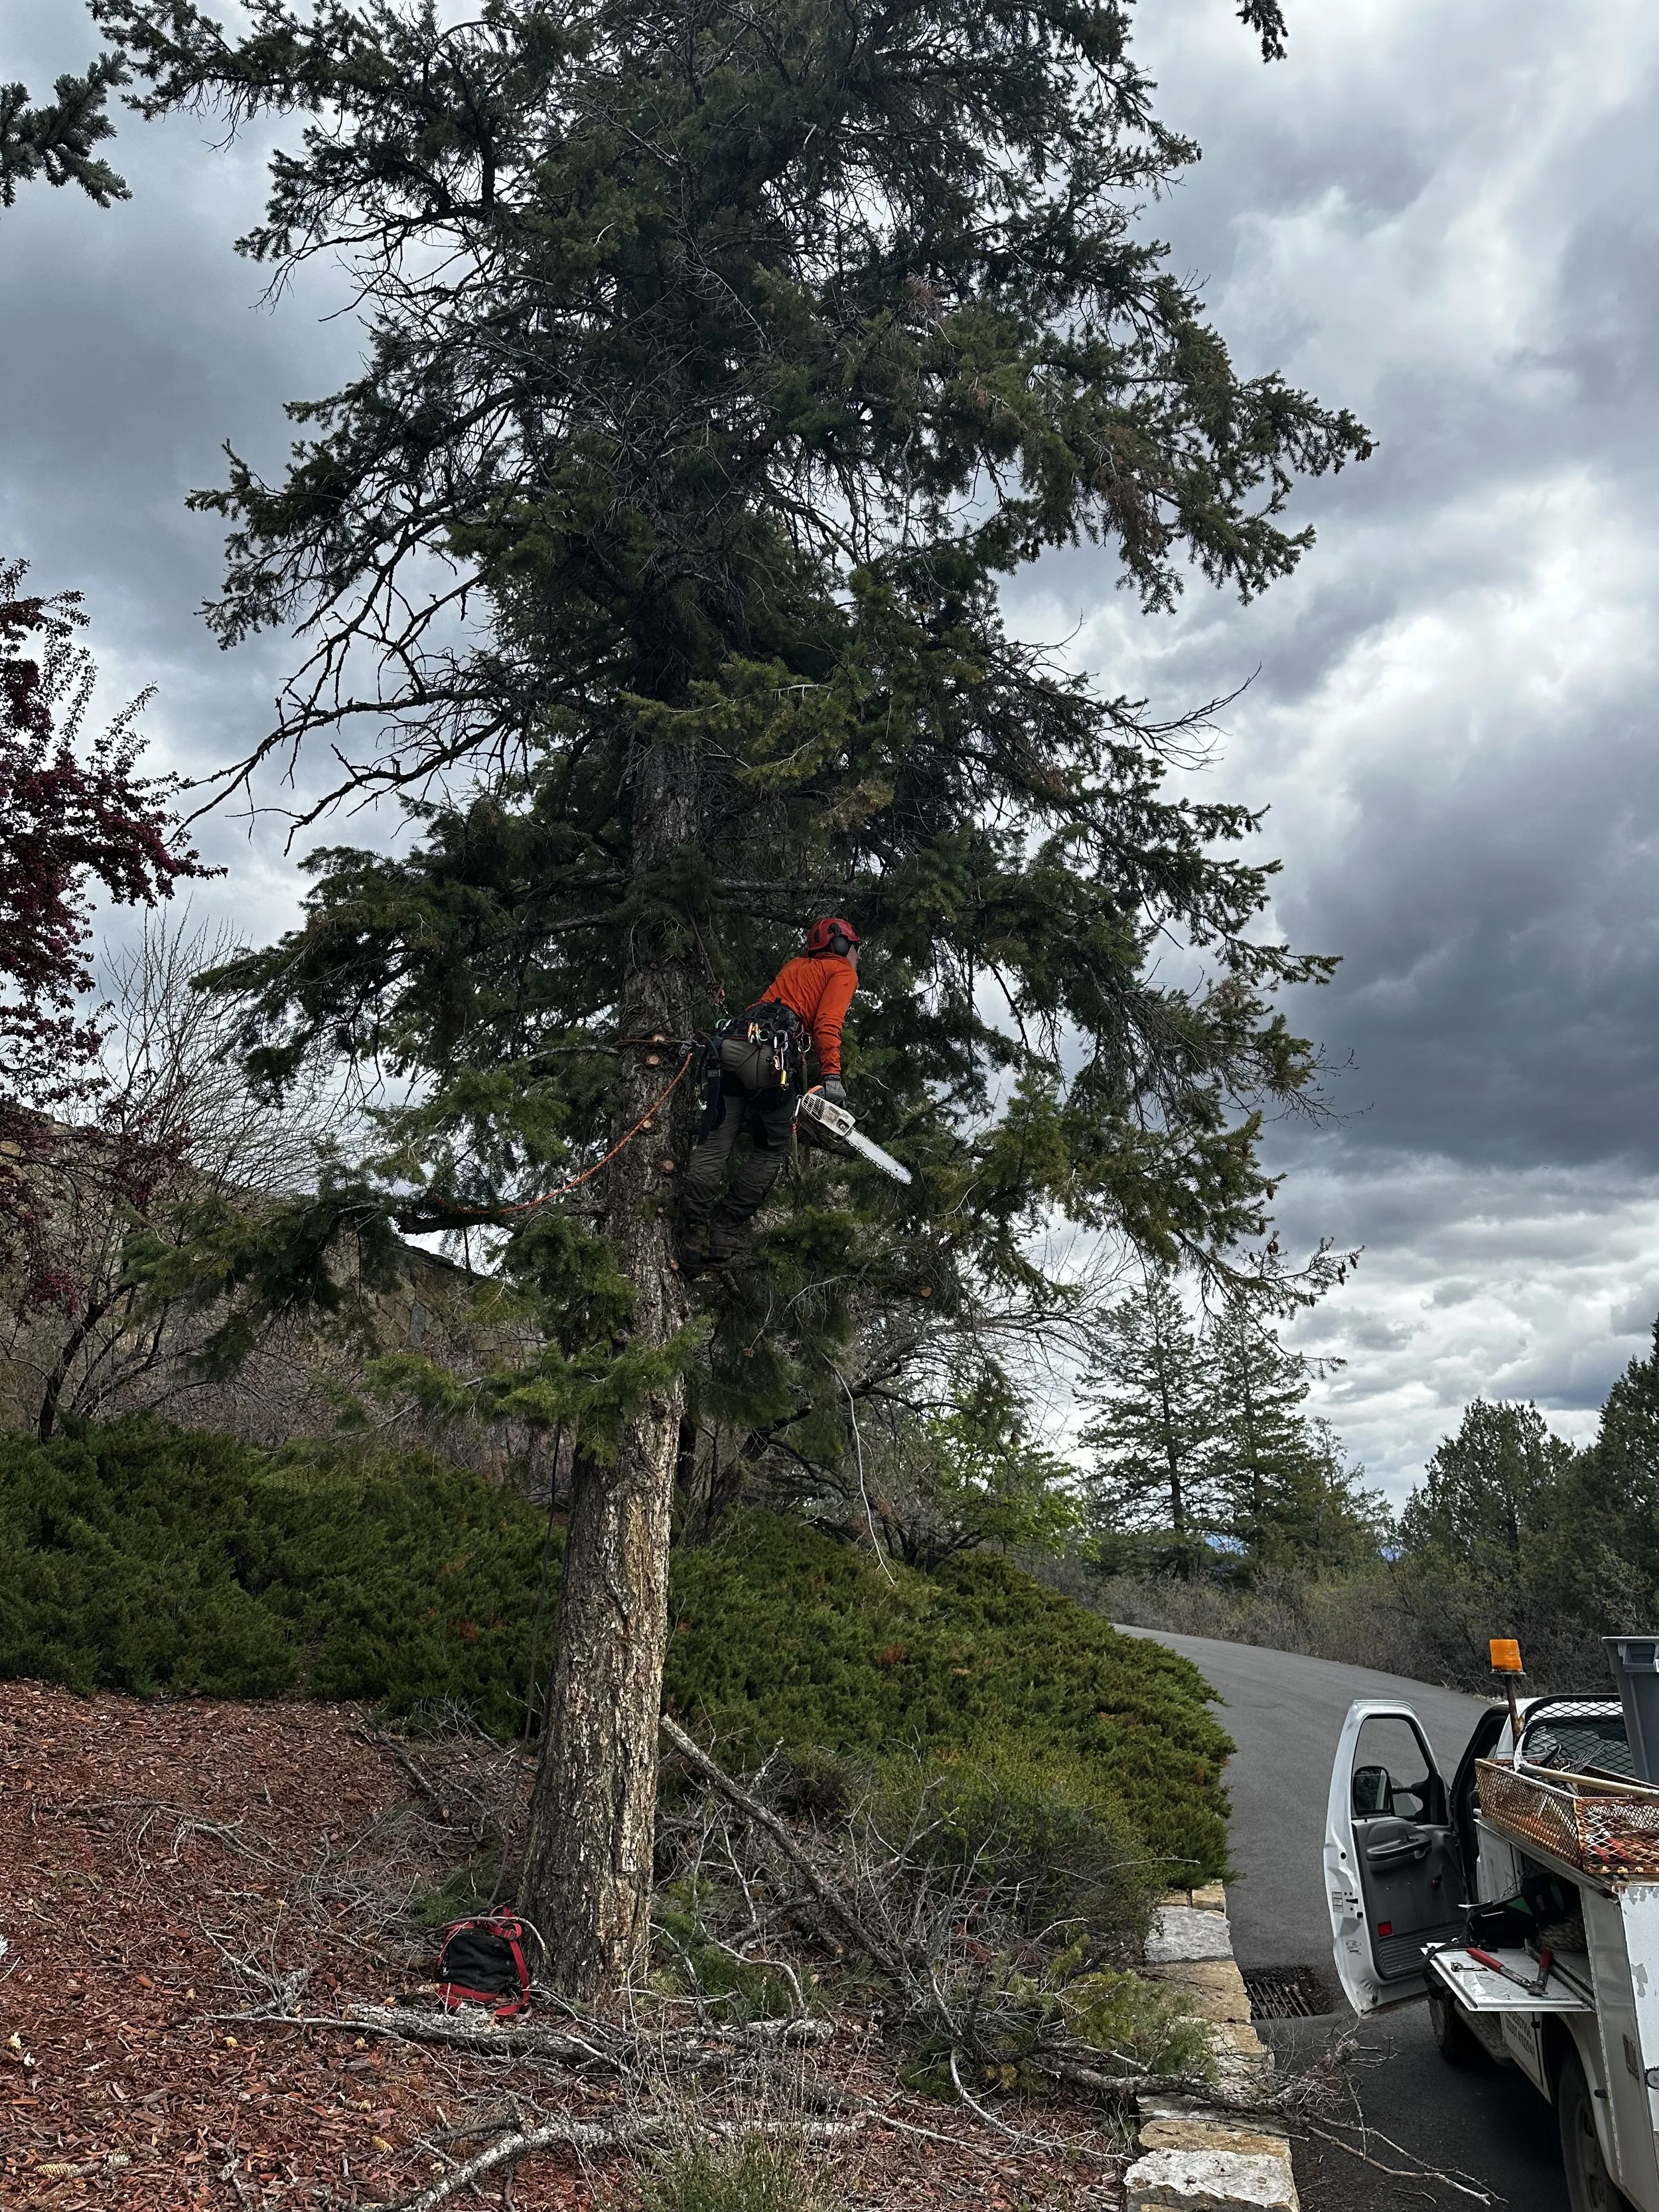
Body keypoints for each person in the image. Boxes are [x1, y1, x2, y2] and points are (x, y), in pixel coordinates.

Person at [676, 917, 861, 1272]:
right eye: (855, 948)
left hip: (730, 1048)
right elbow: (827, 1024)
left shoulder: (796, 965)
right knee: (772, 1146)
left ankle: (693, 1234)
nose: (858, 957)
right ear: (840, 947)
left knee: (716, 1143)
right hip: (767, 1061)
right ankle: (725, 1230)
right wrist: (832, 1076)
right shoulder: (841, 972)